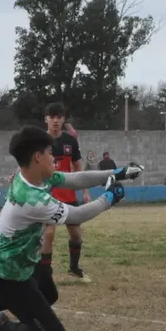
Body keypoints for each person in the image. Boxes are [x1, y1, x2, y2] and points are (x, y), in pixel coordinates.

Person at [0, 126, 142, 331]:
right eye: (50, 153)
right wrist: (109, 198)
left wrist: (118, 173)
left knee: (47, 294)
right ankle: (9, 329)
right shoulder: (31, 198)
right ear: (37, 157)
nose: (54, 159)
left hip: (24, 263)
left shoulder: (34, 176)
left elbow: (76, 178)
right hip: (5, 274)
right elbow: (75, 215)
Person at [43, 103, 92, 282]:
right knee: (49, 233)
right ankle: (45, 273)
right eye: (52, 117)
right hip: (47, 195)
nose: (55, 120)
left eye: (59, 117)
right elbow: (28, 164)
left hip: (68, 195)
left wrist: (85, 191)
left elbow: (78, 169)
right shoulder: (40, 141)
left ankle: (74, 268)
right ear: (46, 119)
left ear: (63, 119)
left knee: (76, 234)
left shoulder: (70, 141)